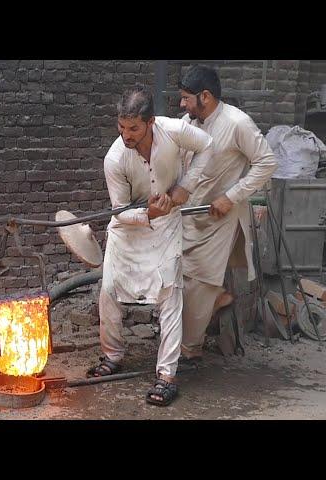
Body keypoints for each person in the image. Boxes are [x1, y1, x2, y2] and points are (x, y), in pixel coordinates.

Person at [86, 84, 213, 406]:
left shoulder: (173, 130)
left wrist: (185, 187)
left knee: (169, 294)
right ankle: (112, 355)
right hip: (127, 229)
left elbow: (208, 147)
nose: (126, 135)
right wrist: (147, 213)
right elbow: (119, 210)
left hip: (167, 226)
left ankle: (166, 376)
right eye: (121, 127)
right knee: (110, 290)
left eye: (133, 128)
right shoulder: (115, 158)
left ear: (151, 122)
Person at [178, 65, 277, 362]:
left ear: (204, 96)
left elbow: (267, 162)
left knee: (200, 283)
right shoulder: (188, 122)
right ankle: (216, 302)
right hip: (188, 214)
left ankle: (189, 350)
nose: (182, 104)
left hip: (219, 218)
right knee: (177, 278)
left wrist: (231, 197)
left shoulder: (238, 123)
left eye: (186, 98)